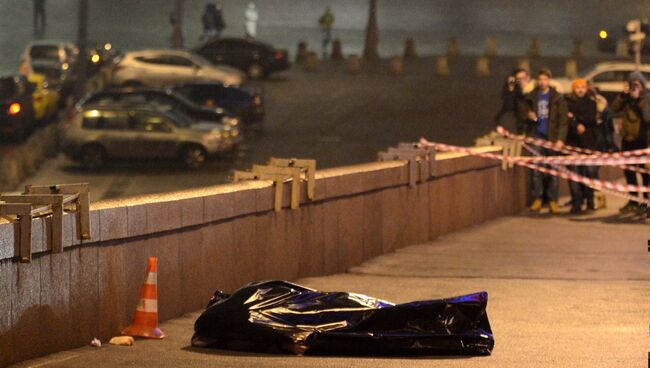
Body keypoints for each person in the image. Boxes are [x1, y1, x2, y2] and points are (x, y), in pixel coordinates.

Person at [519, 68, 568, 214]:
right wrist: (528, 114)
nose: (542, 82)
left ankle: (553, 200)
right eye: (540, 80)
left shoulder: (557, 98)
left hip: (552, 138)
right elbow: (521, 111)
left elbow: (563, 121)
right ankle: (538, 199)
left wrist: (560, 139)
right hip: (537, 136)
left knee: (553, 171)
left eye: (545, 79)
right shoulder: (531, 96)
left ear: (549, 80)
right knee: (537, 170)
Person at [610, 71, 650, 214]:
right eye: (631, 83)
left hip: (643, 141)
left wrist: (639, 99)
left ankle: (646, 202)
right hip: (628, 140)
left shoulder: (647, 97)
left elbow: (647, 117)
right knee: (629, 172)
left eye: (636, 83)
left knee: (645, 173)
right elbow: (614, 109)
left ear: (642, 84)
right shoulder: (627, 97)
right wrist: (623, 95)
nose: (634, 86)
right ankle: (633, 200)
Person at [565, 79, 599, 214]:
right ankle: (577, 202)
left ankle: (590, 199)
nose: (580, 90)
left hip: (588, 143)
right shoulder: (567, 102)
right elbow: (566, 119)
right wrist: (575, 123)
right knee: (574, 174)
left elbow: (590, 118)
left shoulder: (591, 102)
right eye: (577, 87)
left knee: (589, 172)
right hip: (572, 142)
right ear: (573, 89)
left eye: (582, 87)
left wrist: (575, 117)